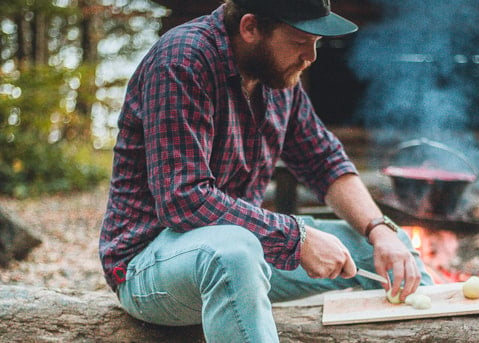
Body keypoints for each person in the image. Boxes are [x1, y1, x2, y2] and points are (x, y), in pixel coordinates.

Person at [99, 0, 433, 341]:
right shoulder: (182, 59)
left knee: (389, 248)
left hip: (245, 252)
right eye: (300, 41)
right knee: (233, 252)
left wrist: (380, 230)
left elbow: (324, 161)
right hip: (147, 266)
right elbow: (183, 200)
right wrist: (297, 239)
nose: (311, 57)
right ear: (250, 28)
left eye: (316, 43)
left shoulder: (276, 77)